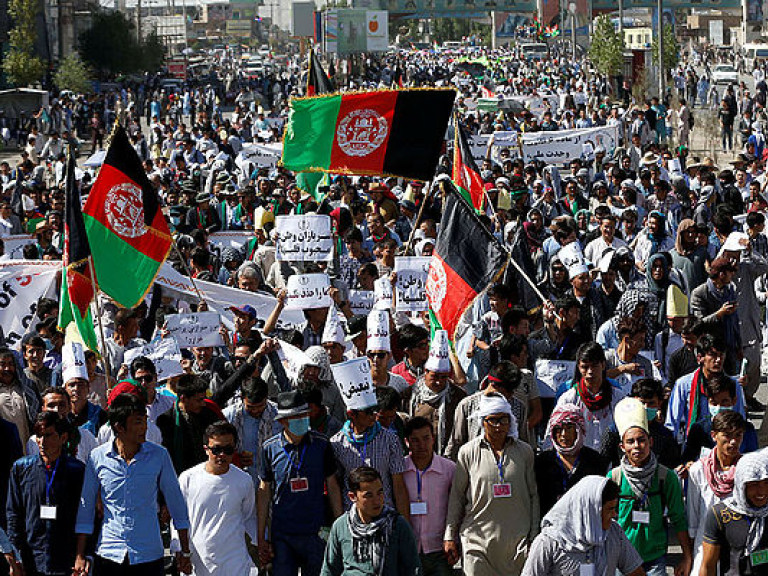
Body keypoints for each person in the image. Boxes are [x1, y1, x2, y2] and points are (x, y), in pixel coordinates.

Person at [74, 393, 193, 576]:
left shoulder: (159, 456)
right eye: (138, 422)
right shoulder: (97, 458)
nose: (144, 427)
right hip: (109, 553)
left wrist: (185, 551)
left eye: (145, 420)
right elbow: (86, 508)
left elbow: (176, 504)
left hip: (149, 554)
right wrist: (80, 555)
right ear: (119, 427)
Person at [444, 394, 539, 576]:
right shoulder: (467, 452)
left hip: (516, 545)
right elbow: (457, 495)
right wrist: (450, 535)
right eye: (492, 420)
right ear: (482, 422)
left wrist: (534, 536)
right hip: (476, 542)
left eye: (503, 420)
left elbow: (533, 495)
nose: (498, 426)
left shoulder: (525, 452)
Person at [259, 390, 343, 576]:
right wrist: (261, 536)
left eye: (304, 415)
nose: (302, 420)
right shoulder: (269, 448)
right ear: (282, 421)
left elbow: (333, 486)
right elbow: (264, 492)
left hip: (315, 531)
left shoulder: (321, 444)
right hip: (282, 534)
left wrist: (339, 527)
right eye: (296, 417)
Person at [608, 397, 692, 576]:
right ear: (622, 446)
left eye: (641, 440)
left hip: (655, 558)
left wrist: (687, 557)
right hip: (621, 559)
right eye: (630, 442)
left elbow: (678, 518)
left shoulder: (665, 477)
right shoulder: (614, 477)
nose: (637, 446)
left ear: (650, 442)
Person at [330, 359, 410, 520]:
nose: (374, 416)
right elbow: (335, 486)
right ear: (352, 414)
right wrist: (340, 522)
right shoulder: (337, 444)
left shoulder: (390, 440)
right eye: (368, 412)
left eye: (375, 411)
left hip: (385, 517)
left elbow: (398, 485)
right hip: (352, 519)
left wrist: (404, 524)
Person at [6, 412, 85, 576]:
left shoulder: (77, 470)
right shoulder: (22, 468)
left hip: (65, 558)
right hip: (31, 557)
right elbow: (13, 513)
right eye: (39, 436)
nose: (42, 442)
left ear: (63, 438)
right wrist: (16, 555)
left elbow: (85, 516)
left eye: (48, 435)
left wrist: (81, 555)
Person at [175, 421, 257, 576]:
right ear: (206, 449)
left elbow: (249, 517)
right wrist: (179, 550)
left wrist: (261, 543)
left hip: (235, 563)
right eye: (217, 449)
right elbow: (179, 519)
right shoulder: (188, 479)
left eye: (228, 450)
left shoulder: (244, 480)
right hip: (198, 562)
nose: (222, 455)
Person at [522, 476, 644, 576]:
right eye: (610, 509)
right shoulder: (548, 542)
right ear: (591, 512)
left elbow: (635, 572)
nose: (614, 514)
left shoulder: (614, 533)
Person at [320, 466, 420, 576]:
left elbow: (413, 568)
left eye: (380, 493)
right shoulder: (341, 526)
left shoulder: (397, 524)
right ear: (352, 496)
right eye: (369, 495)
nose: (377, 501)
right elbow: (329, 570)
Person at [687, 411, 745, 575]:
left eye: (738, 435)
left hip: (736, 548)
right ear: (714, 436)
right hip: (704, 545)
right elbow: (693, 516)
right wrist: (689, 556)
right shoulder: (698, 470)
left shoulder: (746, 470)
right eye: (727, 435)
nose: (733, 442)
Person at [699, 451, 768, 575]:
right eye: (754, 484)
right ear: (742, 483)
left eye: (766, 483)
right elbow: (708, 566)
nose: (761, 491)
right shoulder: (720, 514)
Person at [402, 417, 456, 576]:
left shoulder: (449, 469)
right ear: (407, 442)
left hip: (440, 549)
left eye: (426, 438)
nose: (421, 445)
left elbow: (457, 506)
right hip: (409, 548)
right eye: (415, 440)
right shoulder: (400, 469)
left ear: (433, 439)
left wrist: (453, 539)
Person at [535, 403, 607, 516]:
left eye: (569, 428)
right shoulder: (542, 461)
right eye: (558, 429)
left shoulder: (594, 460)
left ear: (579, 429)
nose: (563, 434)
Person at [406, 330, 466, 456]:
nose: (439, 382)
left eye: (443, 377)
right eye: (435, 377)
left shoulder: (458, 397)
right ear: (426, 372)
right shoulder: (409, 395)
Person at [556, 342, 626, 450]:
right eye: (585, 367)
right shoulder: (569, 399)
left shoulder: (618, 398)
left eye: (594, 366)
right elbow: (555, 433)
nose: (590, 372)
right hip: (581, 462)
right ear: (579, 367)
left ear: (603, 365)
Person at [680, 373, 758, 465]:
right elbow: (688, 459)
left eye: (724, 401)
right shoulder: (699, 429)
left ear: (734, 401)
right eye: (714, 403)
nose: (719, 407)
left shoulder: (747, 429)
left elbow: (754, 460)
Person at [157, 373, 224, 474]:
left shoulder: (209, 414)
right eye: (199, 400)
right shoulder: (166, 421)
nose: (203, 403)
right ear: (184, 399)